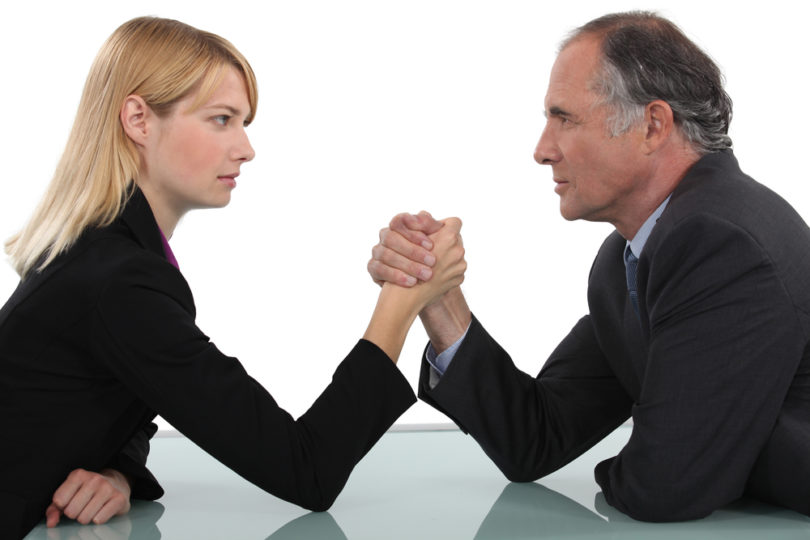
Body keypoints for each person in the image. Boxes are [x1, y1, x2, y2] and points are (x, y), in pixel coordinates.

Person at [0, 16, 466, 539]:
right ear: (138, 119)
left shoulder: (105, 254)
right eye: (222, 119)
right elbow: (306, 470)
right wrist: (400, 302)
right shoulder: (119, 282)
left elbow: (126, 394)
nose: (245, 148)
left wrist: (118, 472)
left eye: (243, 122)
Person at [368, 11, 810, 522]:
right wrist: (440, 300)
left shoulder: (716, 244)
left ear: (652, 126)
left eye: (565, 118)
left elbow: (663, 489)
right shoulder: (631, 257)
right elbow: (535, 439)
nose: (542, 150)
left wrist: (618, 471)